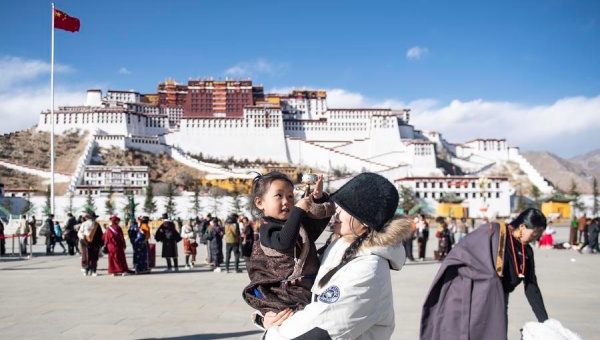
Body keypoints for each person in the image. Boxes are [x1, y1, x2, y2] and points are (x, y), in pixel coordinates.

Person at [256, 172, 410, 339]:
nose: (336, 212)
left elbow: (321, 325)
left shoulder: (368, 270)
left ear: (365, 220)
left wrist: (272, 335)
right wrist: (270, 316)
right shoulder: (340, 246)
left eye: (344, 209)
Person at [421, 208, 549, 340]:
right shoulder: (493, 233)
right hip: (477, 294)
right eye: (534, 234)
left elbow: (531, 286)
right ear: (522, 227)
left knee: (495, 333)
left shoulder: (527, 251)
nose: (536, 239)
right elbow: (462, 253)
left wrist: (545, 321)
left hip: (499, 299)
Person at [242, 171, 335, 314]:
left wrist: (317, 199)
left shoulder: (297, 225)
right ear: (260, 203)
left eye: (290, 196)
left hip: (306, 292)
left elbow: (317, 224)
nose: (286, 201)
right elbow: (284, 243)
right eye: (279, 195)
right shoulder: (267, 228)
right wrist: (297, 211)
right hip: (285, 298)